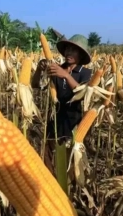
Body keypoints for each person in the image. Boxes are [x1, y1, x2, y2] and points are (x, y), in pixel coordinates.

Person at [31, 34, 92, 174]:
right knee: (50, 158)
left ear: (81, 55)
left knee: (70, 162)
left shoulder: (86, 73)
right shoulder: (55, 68)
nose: (69, 53)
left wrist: (65, 75)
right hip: (54, 121)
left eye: (74, 50)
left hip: (74, 124)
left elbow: (83, 93)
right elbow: (35, 85)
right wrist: (39, 70)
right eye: (68, 49)